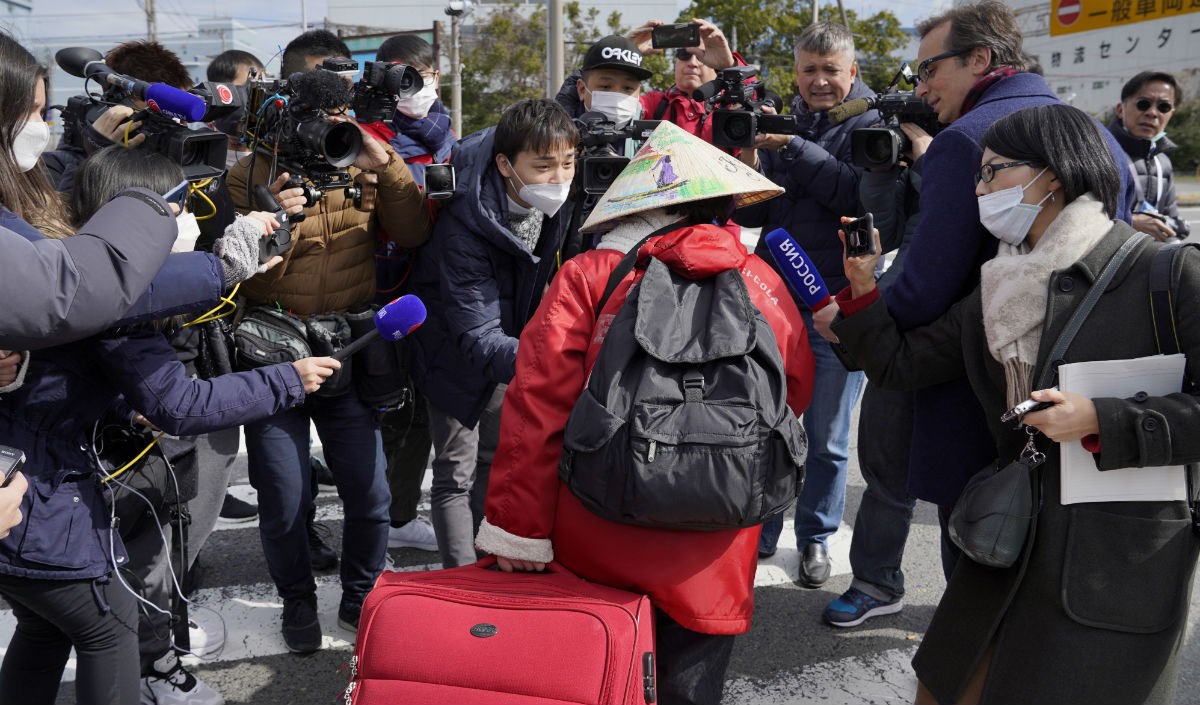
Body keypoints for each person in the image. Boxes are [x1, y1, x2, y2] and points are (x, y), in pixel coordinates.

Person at [831, 102, 1200, 705]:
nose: (980, 188)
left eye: (992, 171)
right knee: (946, 686)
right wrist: (865, 288)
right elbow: (901, 366)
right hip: (1007, 535)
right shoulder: (997, 286)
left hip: (1113, 557)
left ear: (1051, 175)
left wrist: (1102, 420)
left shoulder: (1164, 272)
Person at [0, 55, 339, 703]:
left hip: (32, 497)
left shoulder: (50, 233)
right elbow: (175, 395)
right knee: (108, 625)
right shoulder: (107, 297)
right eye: (31, 113)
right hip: (49, 504)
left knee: (44, 631)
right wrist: (285, 378)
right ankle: (157, 673)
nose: (42, 127)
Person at [476, 120, 815, 705]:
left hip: (599, 519)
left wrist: (518, 529)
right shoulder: (758, 280)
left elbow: (539, 406)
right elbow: (795, 392)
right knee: (690, 688)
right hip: (716, 530)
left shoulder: (590, 275)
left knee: (598, 676)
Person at [812, 0, 1137, 599]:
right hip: (1082, 389)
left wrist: (860, 320)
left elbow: (928, 280)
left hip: (972, 383)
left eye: (929, 69)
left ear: (980, 59)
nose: (921, 86)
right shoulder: (1093, 130)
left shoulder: (965, 142)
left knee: (978, 546)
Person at [227, 28, 433, 653]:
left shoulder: (366, 156)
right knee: (285, 495)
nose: (328, 116)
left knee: (369, 493)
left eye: (338, 98)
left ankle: (359, 594)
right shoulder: (249, 172)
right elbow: (246, 273)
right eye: (313, 100)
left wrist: (388, 168)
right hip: (273, 348)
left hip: (349, 344)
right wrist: (276, 221)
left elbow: (414, 234)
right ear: (283, 96)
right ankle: (295, 601)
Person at [733, 21, 878, 586]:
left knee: (828, 437)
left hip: (837, 305)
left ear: (852, 73)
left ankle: (816, 537)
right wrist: (746, 164)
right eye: (808, 70)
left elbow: (854, 195)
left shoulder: (872, 124)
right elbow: (752, 216)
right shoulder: (777, 127)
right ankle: (764, 526)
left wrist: (793, 147)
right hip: (773, 301)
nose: (819, 81)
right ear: (794, 73)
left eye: (831, 70)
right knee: (767, 423)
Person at [408, 99, 577, 568]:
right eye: (543, 166)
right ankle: (462, 579)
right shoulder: (465, 225)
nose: (558, 178)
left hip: (512, 348)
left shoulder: (555, 200)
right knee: (455, 473)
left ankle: (490, 560)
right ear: (506, 165)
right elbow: (475, 332)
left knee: (496, 460)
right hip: (453, 350)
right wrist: (549, 361)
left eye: (567, 163)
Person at [821, 123, 929, 627]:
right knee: (885, 465)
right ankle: (875, 582)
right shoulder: (905, 147)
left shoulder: (982, 145)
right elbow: (885, 222)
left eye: (933, 74)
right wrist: (885, 169)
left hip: (970, 325)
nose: (927, 88)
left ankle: (982, 597)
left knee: (972, 477)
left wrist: (934, 159)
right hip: (899, 320)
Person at [355, 34, 452, 554]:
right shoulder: (361, 136)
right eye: (397, 75)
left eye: (417, 74)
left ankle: (397, 515)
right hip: (373, 285)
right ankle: (372, 523)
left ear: (435, 75)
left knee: (417, 410)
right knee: (377, 409)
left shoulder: (448, 134)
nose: (409, 86)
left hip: (434, 284)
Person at [1108, 71, 1190, 241]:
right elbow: (1074, 216)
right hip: (1104, 262)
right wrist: (1131, 222)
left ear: (1170, 114)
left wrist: (1172, 225)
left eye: (1163, 107)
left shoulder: (1164, 162)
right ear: (1120, 109)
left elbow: (1171, 214)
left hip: (1148, 257)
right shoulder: (1098, 152)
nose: (1153, 113)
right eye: (1143, 104)